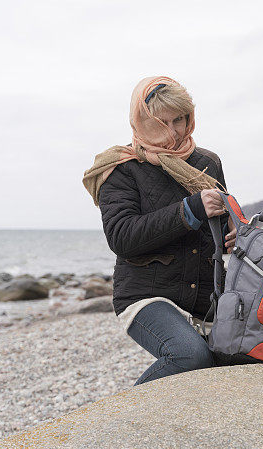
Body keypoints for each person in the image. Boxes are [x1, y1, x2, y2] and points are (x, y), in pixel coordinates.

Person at [83, 76, 236, 385]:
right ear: (142, 121)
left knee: (251, 355)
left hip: (208, 298)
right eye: (163, 122)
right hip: (145, 295)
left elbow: (220, 219)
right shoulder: (121, 167)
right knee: (189, 356)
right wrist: (189, 210)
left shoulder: (208, 162)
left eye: (180, 119)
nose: (174, 131)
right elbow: (122, 237)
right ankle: (120, 421)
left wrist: (234, 231)